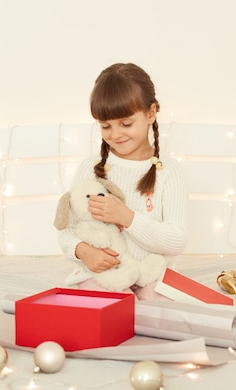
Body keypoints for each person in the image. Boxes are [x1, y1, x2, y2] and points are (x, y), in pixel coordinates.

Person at [58, 63, 188, 300]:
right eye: (105, 126)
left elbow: (177, 240)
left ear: (151, 113)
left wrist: (127, 217)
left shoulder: (168, 171)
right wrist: (84, 252)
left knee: (165, 315)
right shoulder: (91, 168)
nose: (115, 134)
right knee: (116, 312)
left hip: (153, 273)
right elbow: (67, 230)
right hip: (104, 274)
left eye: (126, 124)